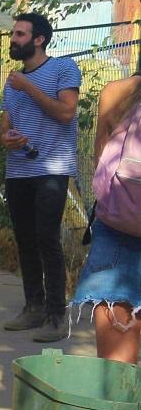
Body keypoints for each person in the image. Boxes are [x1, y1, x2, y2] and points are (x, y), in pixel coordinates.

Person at [0, 12, 81, 340]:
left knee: (47, 238)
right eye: (13, 33)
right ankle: (32, 307)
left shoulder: (63, 68)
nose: (13, 39)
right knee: (26, 240)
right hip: (19, 170)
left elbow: (66, 112)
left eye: (20, 34)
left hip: (52, 169)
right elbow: (4, 123)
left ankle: (56, 316)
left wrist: (28, 87)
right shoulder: (13, 81)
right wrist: (5, 137)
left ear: (39, 39)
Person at [76, 69, 141, 361]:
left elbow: (101, 159)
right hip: (118, 227)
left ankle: (119, 405)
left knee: (116, 370)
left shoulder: (119, 93)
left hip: (119, 222)